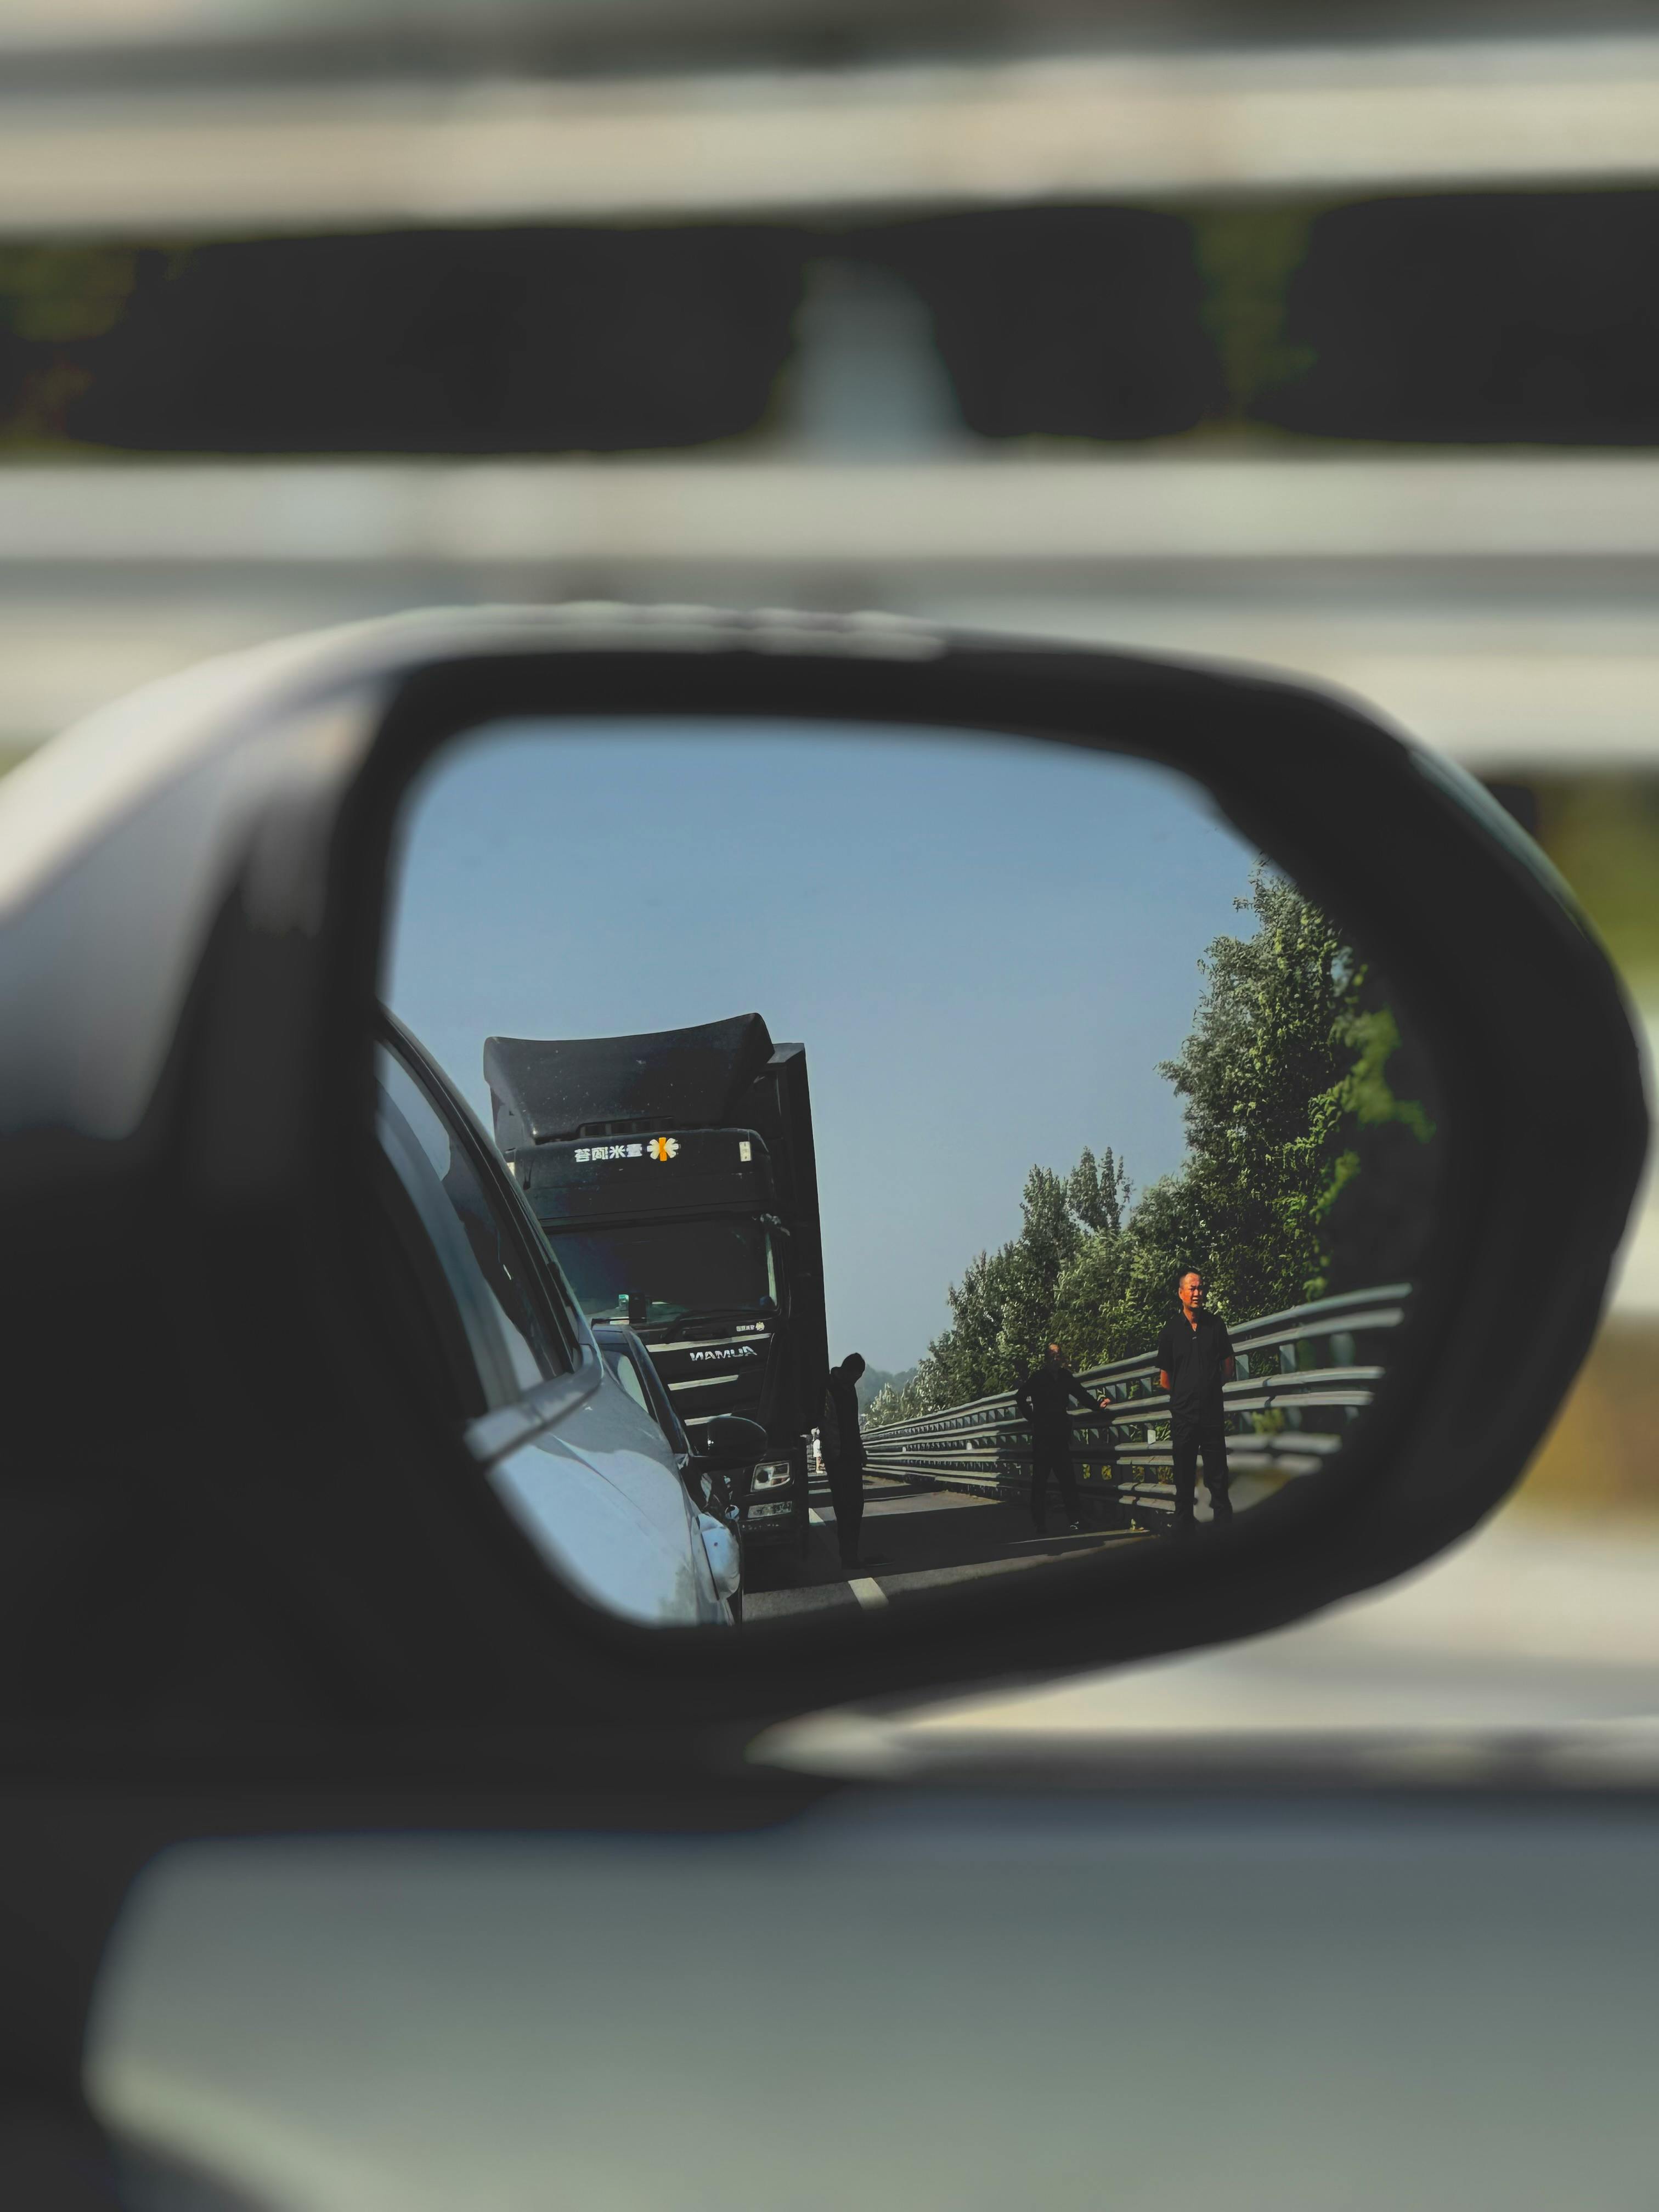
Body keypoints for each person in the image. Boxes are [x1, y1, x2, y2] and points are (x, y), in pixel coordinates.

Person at [1156, 1267, 1235, 1534]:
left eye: (1201, 1288)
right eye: (1192, 1288)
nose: (1198, 1293)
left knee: (1218, 1475)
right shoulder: (1169, 1331)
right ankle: (1184, 1530)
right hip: (1184, 1415)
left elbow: (1227, 1367)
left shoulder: (1216, 1325)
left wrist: (1209, 1389)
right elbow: (1165, 1379)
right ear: (1181, 1294)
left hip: (1212, 1412)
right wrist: (1186, 1395)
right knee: (1184, 1473)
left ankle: (1225, 1529)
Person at [1014, 1342, 1113, 1537]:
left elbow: (1081, 1394)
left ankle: (1076, 1520)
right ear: (1046, 1359)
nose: (1055, 1359)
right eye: (1052, 1356)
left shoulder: (1065, 1377)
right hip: (1043, 1436)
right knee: (1040, 1482)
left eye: (1058, 1355)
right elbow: (1020, 1397)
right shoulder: (1038, 1378)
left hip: (1060, 1436)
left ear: (1062, 1358)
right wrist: (1032, 1418)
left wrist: (1098, 1406)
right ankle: (1039, 1523)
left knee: (1068, 1480)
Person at [820, 1353, 872, 1570]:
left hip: (850, 1454)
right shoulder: (828, 1388)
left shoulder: (849, 1389)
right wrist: (833, 1452)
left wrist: (860, 1448)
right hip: (837, 1454)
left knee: (856, 1505)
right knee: (844, 1506)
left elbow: (853, 1424)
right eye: (857, 1376)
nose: (857, 1380)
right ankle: (847, 1555)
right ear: (851, 1372)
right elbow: (827, 1423)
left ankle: (851, 1553)